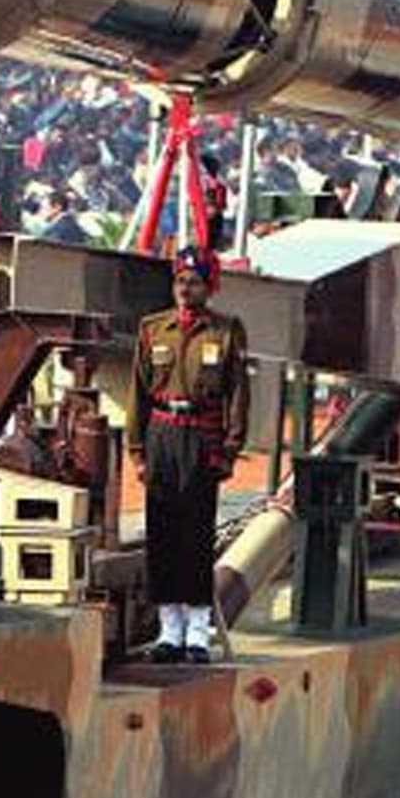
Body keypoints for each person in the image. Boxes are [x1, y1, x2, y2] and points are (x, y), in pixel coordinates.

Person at [131, 244, 250, 662]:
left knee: (196, 535)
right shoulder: (152, 329)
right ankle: (170, 630)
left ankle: (198, 632)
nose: (185, 289)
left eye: (194, 282)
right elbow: (139, 395)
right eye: (180, 281)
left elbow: (237, 394)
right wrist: (138, 451)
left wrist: (231, 448)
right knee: (162, 534)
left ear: (209, 286)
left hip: (202, 438)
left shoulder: (226, 331)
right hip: (162, 435)